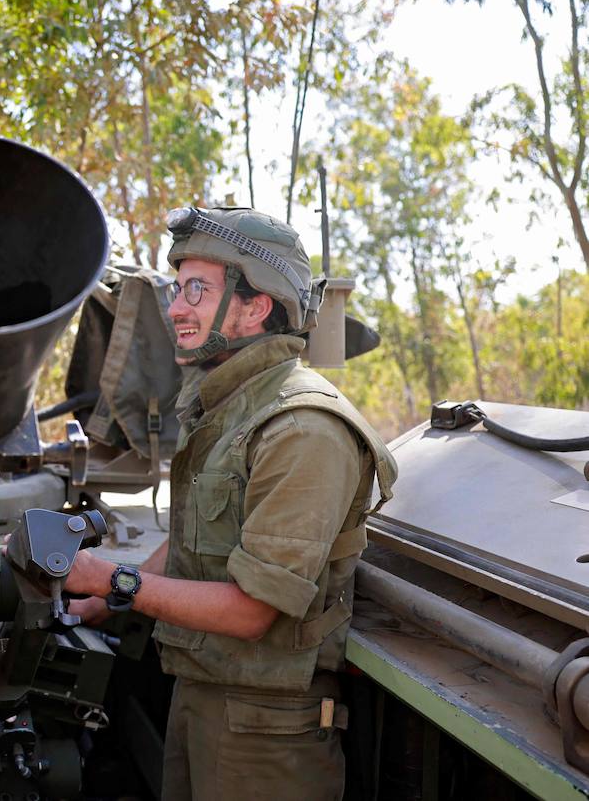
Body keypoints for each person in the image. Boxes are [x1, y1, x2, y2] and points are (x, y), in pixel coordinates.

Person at [64, 206, 397, 801]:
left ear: (254, 306)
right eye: (176, 288)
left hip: (265, 736)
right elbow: (196, 539)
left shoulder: (302, 427)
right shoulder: (233, 406)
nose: (175, 308)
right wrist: (107, 600)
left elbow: (251, 611)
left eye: (197, 289)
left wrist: (111, 579)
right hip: (205, 694)